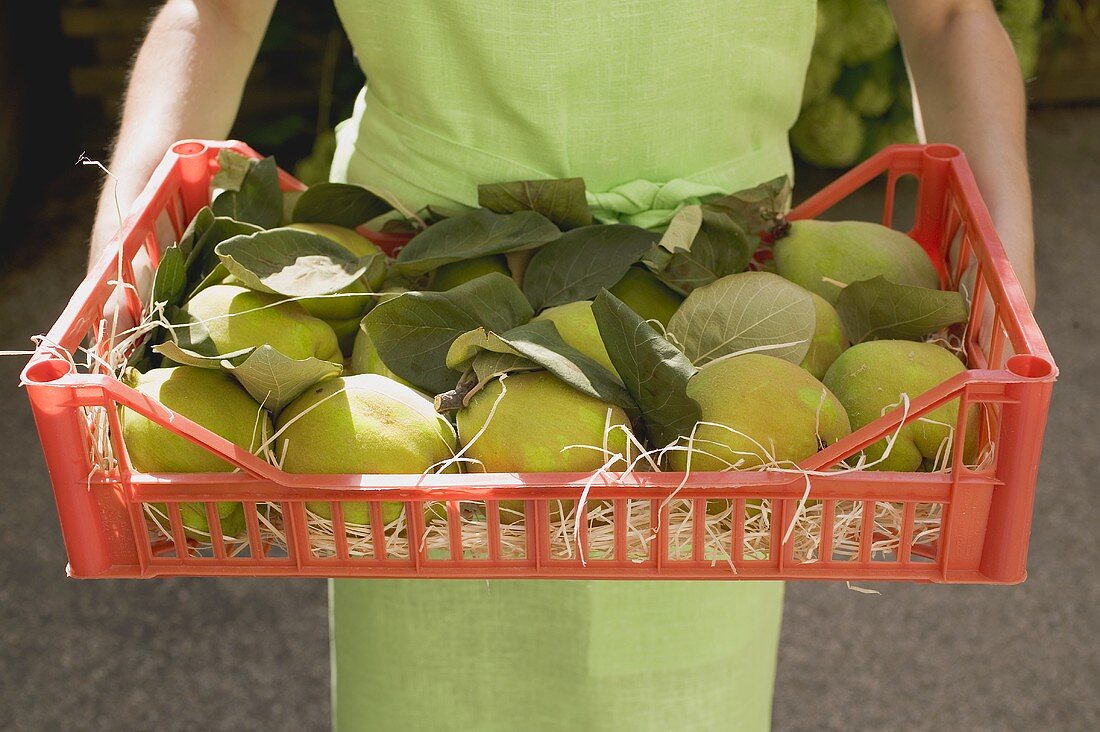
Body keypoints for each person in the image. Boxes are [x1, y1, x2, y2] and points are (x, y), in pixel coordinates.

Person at [89, 2, 1036, 730]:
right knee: (434, 680)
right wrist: (119, 264)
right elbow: (214, 8)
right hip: (418, 313)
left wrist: (1006, 296)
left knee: (678, 683)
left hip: (718, 310)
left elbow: (949, 13)